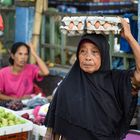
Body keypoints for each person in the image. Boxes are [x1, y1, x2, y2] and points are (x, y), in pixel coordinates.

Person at [44, 17, 140, 140]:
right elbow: (56, 130)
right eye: (83, 51)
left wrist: (129, 38)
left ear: (104, 54)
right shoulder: (68, 85)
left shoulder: (116, 81)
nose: (87, 57)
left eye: (94, 52)